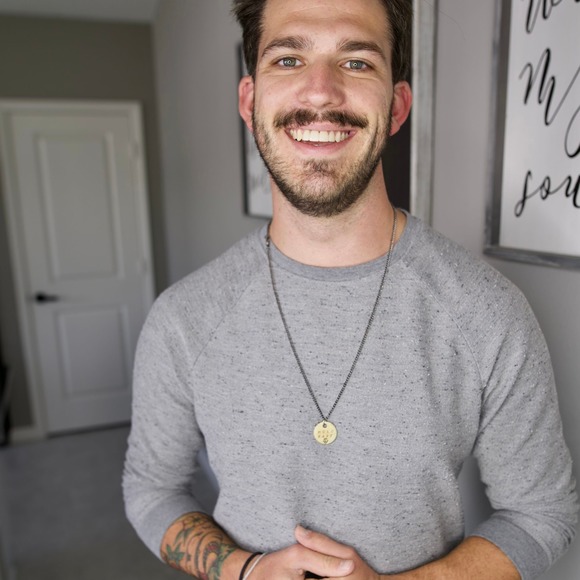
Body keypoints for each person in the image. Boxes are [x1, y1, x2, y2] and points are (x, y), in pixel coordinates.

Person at [123, 0, 578, 578]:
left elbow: (541, 515)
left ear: (397, 106)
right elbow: (151, 489)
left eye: (357, 62)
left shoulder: (487, 312)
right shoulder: (184, 317)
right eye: (289, 59)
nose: (320, 91)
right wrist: (243, 571)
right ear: (249, 100)